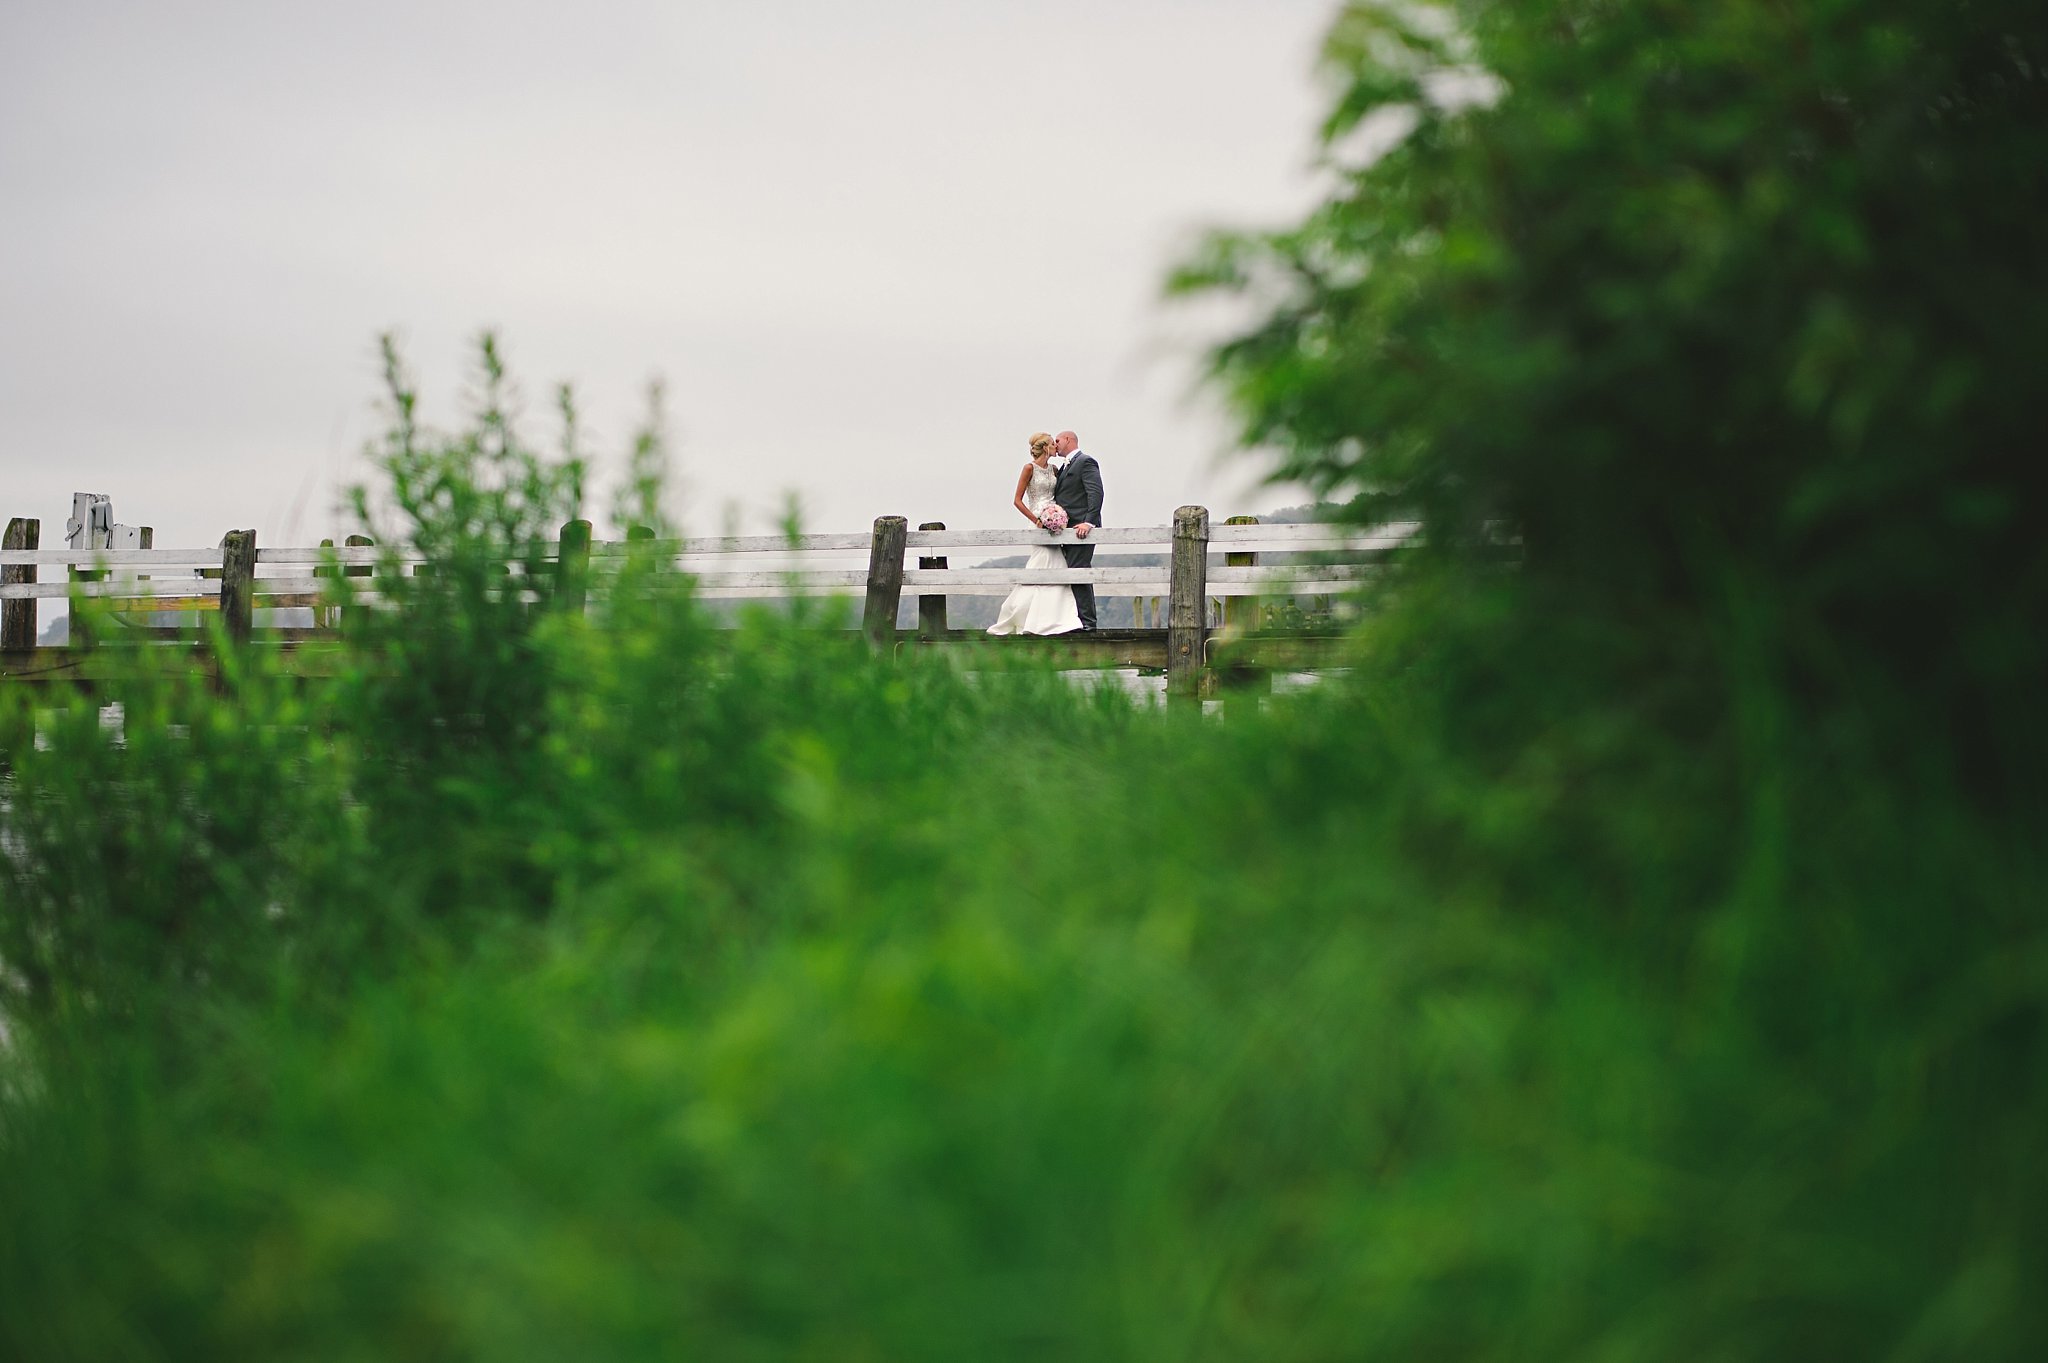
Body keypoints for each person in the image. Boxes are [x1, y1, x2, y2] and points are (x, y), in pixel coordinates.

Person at [986, 432, 1084, 636]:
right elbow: (1017, 500)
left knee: (1057, 567)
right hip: (1039, 521)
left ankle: (1054, 618)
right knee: (1040, 564)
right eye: (1053, 443)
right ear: (1045, 447)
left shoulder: (1055, 469)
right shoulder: (1029, 468)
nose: (1056, 446)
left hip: (1055, 523)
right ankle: (1025, 615)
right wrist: (1037, 520)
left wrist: (1058, 515)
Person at [1050, 429, 1103, 630]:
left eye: (1057, 440)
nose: (1055, 444)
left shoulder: (1086, 462)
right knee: (1070, 572)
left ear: (1068, 440)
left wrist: (1089, 522)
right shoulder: (1063, 468)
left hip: (1081, 529)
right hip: (1066, 530)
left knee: (1079, 571)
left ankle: (1088, 623)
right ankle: (1074, 620)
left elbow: (1095, 492)